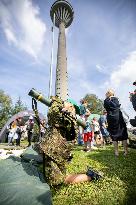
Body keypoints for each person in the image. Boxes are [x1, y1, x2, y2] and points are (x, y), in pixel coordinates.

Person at [104, 89, 128, 156]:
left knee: (114, 134)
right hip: (119, 117)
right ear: (113, 93)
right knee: (123, 134)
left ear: (107, 94)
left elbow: (105, 108)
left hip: (111, 118)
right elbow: (119, 106)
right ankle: (125, 151)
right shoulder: (116, 99)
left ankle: (116, 152)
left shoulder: (106, 100)